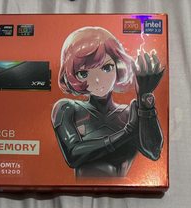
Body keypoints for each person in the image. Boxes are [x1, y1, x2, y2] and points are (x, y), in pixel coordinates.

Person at [52, 26, 164, 177]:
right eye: (83, 73)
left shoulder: (130, 112)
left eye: (106, 67)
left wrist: (145, 100)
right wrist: (127, 132)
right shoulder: (67, 108)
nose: (98, 80)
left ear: (119, 65)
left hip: (125, 188)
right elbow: (73, 155)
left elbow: (154, 152)